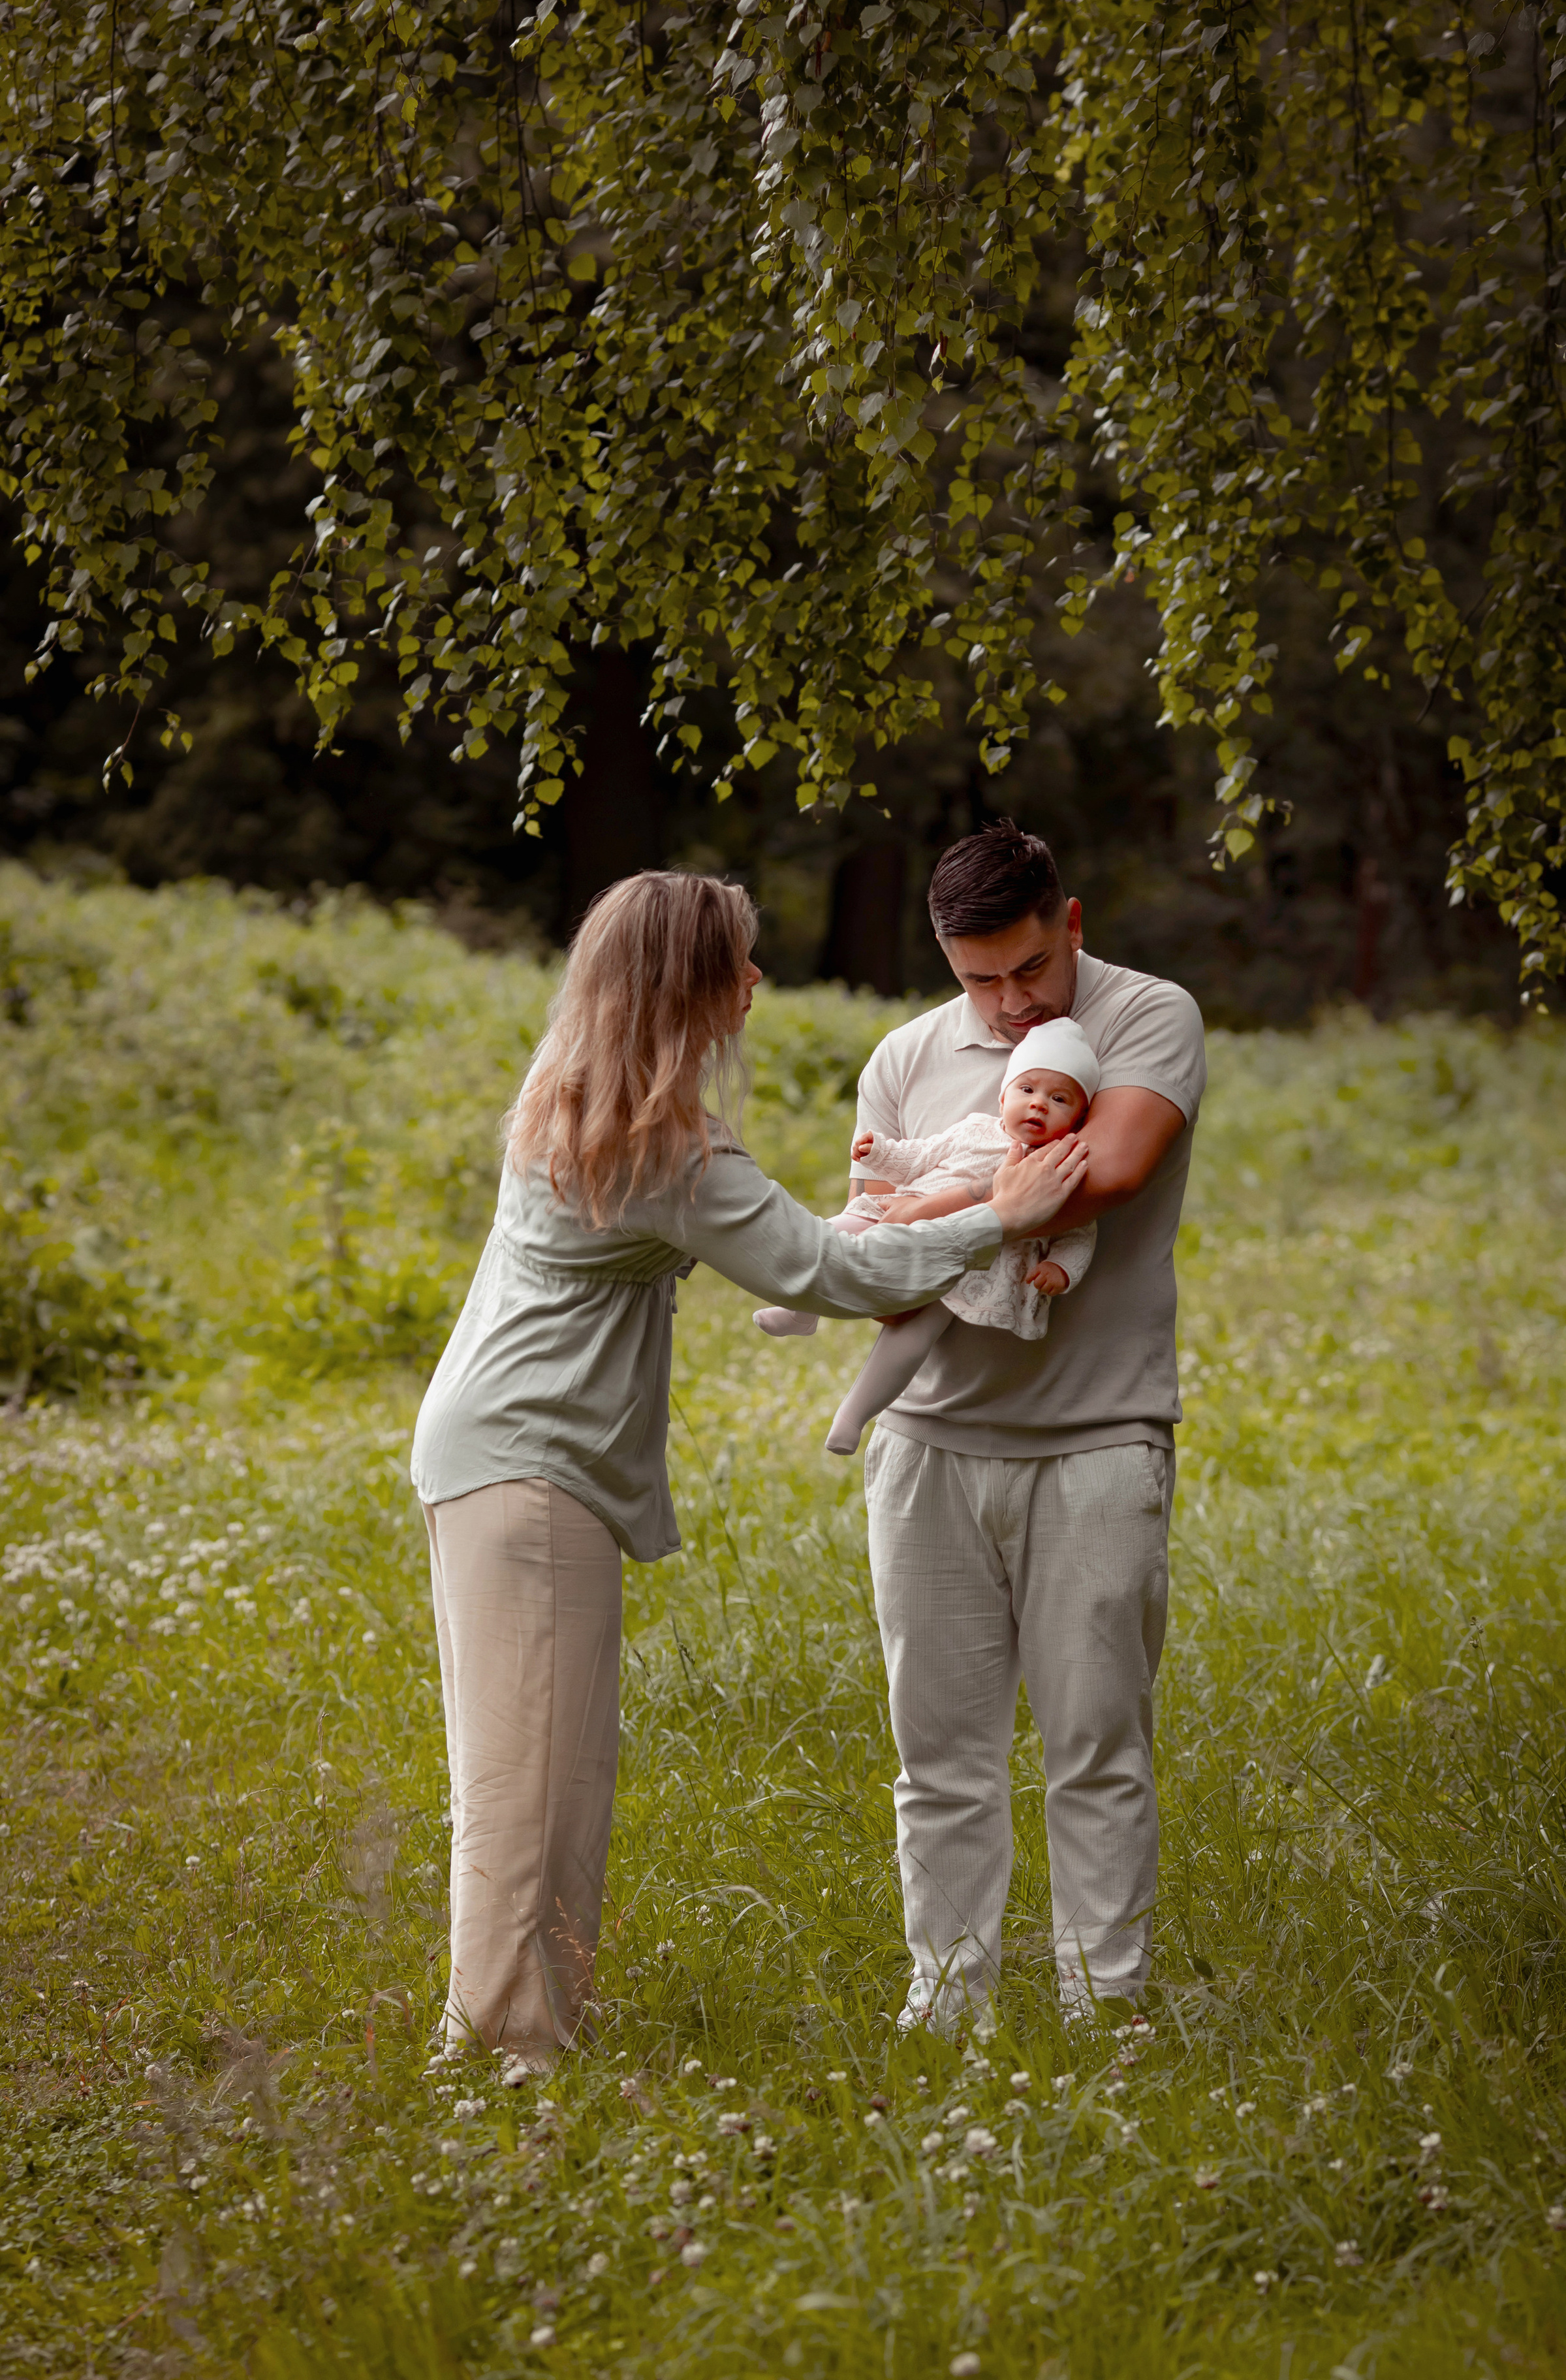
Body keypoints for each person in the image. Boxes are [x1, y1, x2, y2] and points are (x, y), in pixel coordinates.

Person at [407, 868, 1088, 2078]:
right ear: (688, 984)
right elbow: (825, 1274)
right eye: (740, 962)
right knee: (532, 1780)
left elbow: (815, 1250)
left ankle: (528, 2024)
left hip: (495, 1454)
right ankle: (507, 2061)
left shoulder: (580, 1092)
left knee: (538, 1765)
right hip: (528, 1471)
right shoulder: (661, 1146)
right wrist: (1001, 1207)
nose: (758, 982)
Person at [853, 819, 1206, 2032]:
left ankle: (1108, 2012)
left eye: (1027, 971)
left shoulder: (1151, 1018)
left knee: (1098, 1746)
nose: (1006, 1005)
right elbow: (879, 1275)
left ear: (1072, 921)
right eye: (976, 980)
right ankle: (945, 2011)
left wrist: (943, 1211)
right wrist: (970, 1213)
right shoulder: (904, 1058)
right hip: (928, 1446)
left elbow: (1102, 1175)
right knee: (937, 1757)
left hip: (1100, 1439)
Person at [753, 1017, 1101, 1455]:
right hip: (903, 1211)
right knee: (834, 1235)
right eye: (1027, 1090)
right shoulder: (974, 1128)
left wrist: (1060, 1268)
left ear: (1080, 1116)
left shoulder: (1057, 1164)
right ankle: (801, 1307)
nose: (1038, 1106)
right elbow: (920, 1156)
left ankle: (854, 1415)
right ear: (1003, 1096)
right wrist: (880, 1152)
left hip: (969, 1262)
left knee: (915, 1333)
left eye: (1058, 1099)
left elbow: (1080, 1229)